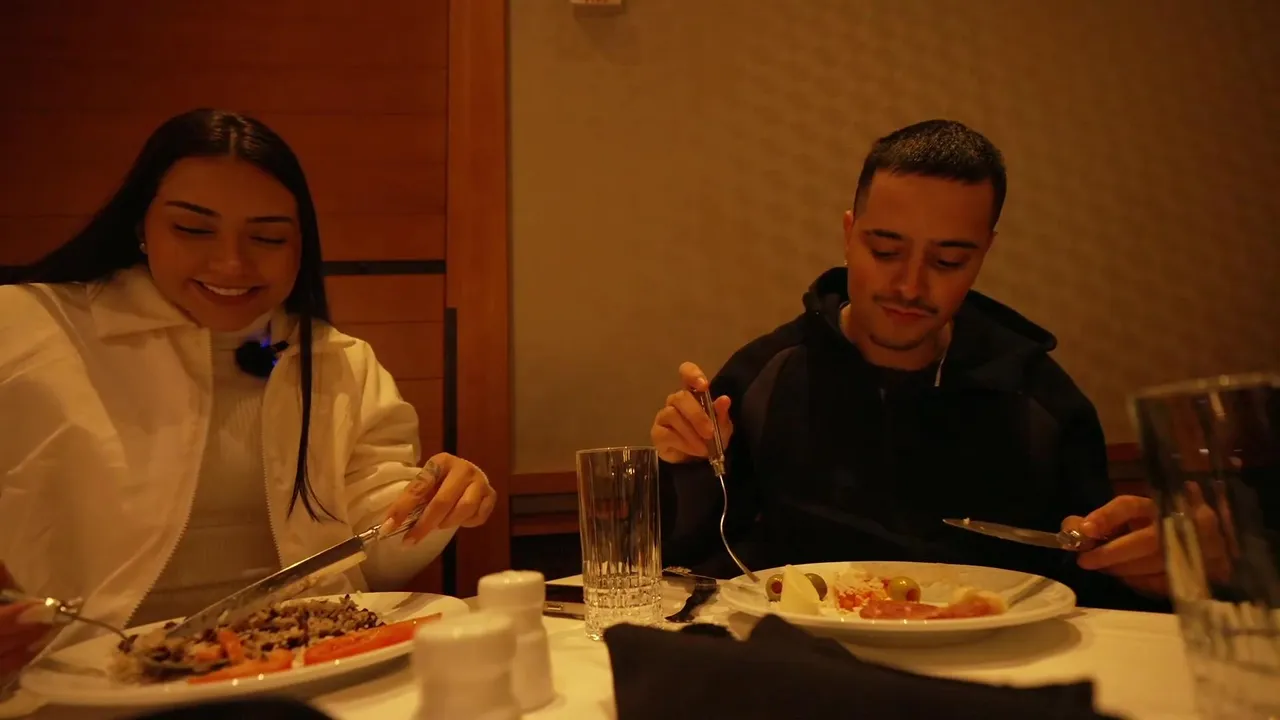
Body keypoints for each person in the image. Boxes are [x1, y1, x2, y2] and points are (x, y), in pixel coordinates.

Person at [0, 109, 497, 676]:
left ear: (300, 246)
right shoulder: (25, 331)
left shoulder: (338, 361)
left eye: (267, 237)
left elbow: (377, 552)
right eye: (193, 229)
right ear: (141, 227)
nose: (232, 262)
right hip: (76, 687)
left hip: (299, 676)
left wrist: (440, 501)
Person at [651, 119, 1208, 611]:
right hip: (803, 664)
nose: (910, 285)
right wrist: (684, 465)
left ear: (983, 253)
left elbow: (1093, 588)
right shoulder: (764, 377)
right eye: (886, 251)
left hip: (991, 669)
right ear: (849, 235)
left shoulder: (1038, 400)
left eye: (948, 260)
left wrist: (1156, 566)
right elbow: (692, 563)